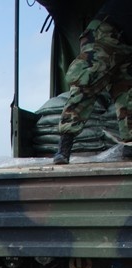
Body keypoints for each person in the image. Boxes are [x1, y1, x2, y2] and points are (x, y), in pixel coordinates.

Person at [54, 0, 132, 164]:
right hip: (105, 34)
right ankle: (64, 147)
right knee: (87, 82)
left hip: (127, 43)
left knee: (127, 93)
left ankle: (130, 146)